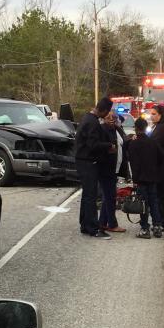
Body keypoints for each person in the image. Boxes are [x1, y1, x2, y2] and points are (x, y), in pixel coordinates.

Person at [75, 97, 115, 239]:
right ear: (104, 110)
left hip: (82, 161)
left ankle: (85, 224)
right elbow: (93, 145)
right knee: (91, 195)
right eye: (108, 112)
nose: (108, 115)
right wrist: (108, 146)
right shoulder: (92, 123)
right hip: (88, 162)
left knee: (87, 194)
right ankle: (93, 228)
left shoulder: (86, 118)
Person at [128, 117, 163, 239]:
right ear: (145, 128)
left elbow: (133, 164)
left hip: (141, 179)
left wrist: (134, 180)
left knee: (143, 204)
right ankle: (157, 226)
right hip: (153, 177)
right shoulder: (153, 143)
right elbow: (161, 158)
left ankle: (145, 228)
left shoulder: (133, 144)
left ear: (136, 129)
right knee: (154, 202)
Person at [98, 111, 127, 233]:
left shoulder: (117, 129)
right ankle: (112, 224)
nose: (111, 119)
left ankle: (102, 223)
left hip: (115, 168)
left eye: (113, 117)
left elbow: (123, 143)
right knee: (110, 197)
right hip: (106, 168)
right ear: (103, 119)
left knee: (108, 196)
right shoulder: (102, 130)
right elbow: (97, 146)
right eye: (108, 117)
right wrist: (109, 146)